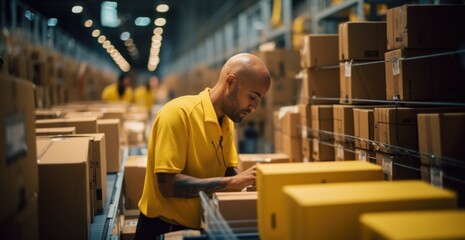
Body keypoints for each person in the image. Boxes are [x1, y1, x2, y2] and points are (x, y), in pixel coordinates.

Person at [135, 53, 271, 239]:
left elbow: (228, 171)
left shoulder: (227, 122)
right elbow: (167, 186)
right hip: (163, 228)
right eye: (252, 97)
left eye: (259, 99)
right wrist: (232, 183)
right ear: (230, 82)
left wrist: (257, 182)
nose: (254, 107)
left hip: (200, 224)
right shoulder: (177, 114)